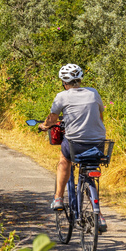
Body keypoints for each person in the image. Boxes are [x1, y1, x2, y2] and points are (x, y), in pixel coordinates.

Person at [40, 63, 108, 231]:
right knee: (89, 173)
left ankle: (58, 198)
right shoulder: (94, 93)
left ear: (64, 82)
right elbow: (99, 116)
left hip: (75, 144)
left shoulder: (62, 96)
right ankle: (98, 214)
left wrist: (44, 126)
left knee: (64, 159)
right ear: (80, 79)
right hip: (98, 143)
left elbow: (53, 119)